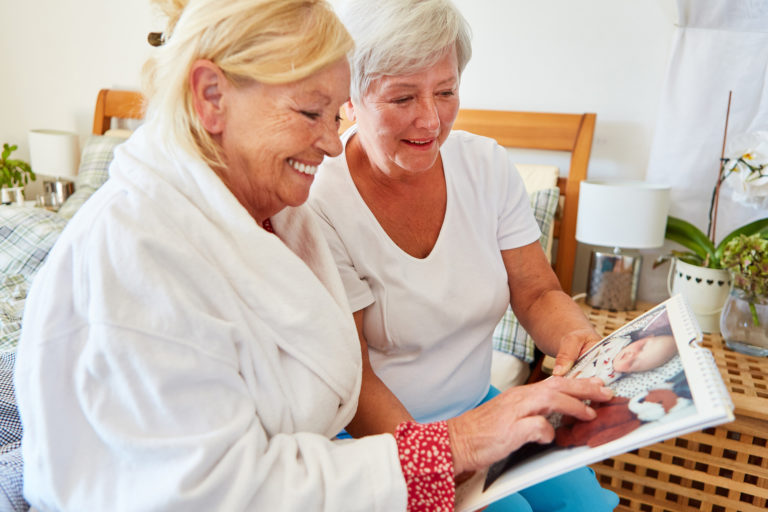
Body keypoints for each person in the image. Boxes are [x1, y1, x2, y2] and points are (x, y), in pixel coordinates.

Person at [13, 0, 613, 510]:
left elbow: (536, 291)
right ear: (212, 95)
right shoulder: (136, 256)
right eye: (311, 113)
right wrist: (449, 448)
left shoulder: (275, 212)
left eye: (334, 114)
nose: (331, 142)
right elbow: (228, 488)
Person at [308, 0, 619, 510]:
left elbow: (538, 292)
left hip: (481, 406)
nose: (430, 119)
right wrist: (442, 456)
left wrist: (577, 338)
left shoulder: (486, 165)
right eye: (403, 97)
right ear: (349, 95)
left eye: (446, 91)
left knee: (587, 504)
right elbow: (354, 378)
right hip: (383, 438)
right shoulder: (320, 202)